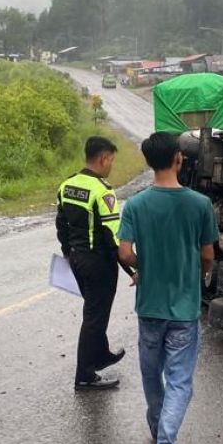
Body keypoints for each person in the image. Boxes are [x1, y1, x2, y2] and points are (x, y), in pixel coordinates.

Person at [117, 131, 218, 444]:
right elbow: (208, 255)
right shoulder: (200, 204)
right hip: (184, 309)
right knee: (179, 380)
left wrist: (142, 268)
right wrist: (199, 275)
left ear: (148, 161)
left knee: (151, 375)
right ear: (178, 158)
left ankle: (158, 428)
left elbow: (125, 253)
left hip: (149, 308)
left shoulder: (135, 205)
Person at [56, 136, 136, 390]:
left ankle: (101, 355)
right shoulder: (103, 191)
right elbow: (112, 239)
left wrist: (68, 253)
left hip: (78, 259)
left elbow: (61, 225)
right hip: (98, 263)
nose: (111, 165)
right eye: (111, 160)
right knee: (94, 317)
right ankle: (85, 375)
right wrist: (132, 269)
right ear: (103, 158)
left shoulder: (66, 185)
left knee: (95, 311)